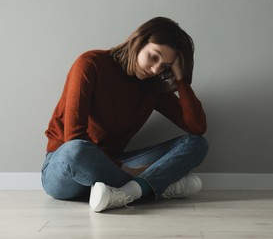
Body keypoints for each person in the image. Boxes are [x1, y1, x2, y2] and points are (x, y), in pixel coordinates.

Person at [41, 17, 208, 212]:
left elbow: (196, 127)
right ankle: (150, 187)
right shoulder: (90, 64)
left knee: (197, 144)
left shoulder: (153, 86)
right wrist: (126, 170)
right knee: (75, 150)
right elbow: (74, 138)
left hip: (114, 164)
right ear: (139, 41)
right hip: (65, 169)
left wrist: (182, 80)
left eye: (165, 66)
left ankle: (127, 192)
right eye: (154, 56)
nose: (155, 69)